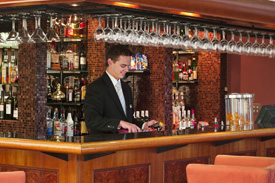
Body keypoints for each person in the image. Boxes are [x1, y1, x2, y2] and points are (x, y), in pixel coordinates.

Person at [84, 45, 157, 134]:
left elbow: (127, 120)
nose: (126, 70)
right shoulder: (96, 88)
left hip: (124, 144)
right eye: (123, 66)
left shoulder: (127, 88)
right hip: (104, 145)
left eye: (128, 66)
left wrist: (143, 125)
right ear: (110, 62)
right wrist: (119, 123)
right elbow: (91, 121)